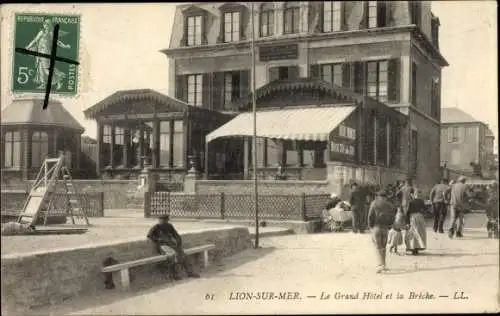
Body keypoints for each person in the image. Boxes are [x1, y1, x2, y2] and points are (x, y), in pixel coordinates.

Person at [147, 215, 200, 280]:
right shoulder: (156, 227)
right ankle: (175, 274)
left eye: (164, 220)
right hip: (163, 245)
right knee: (172, 255)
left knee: (183, 255)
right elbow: (149, 236)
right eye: (161, 220)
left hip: (171, 244)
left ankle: (190, 272)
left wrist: (178, 243)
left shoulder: (169, 226)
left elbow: (177, 235)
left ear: (167, 220)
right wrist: (159, 240)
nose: (162, 221)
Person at [25, 18, 71, 90]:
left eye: (46, 24)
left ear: (49, 25)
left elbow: (57, 42)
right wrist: (28, 46)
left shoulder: (51, 34)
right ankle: (43, 84)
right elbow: (35, 40)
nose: (45, 25)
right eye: (44, 24)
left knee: (47, 69)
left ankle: (59, 81)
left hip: (46, 53)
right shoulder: (41, 32)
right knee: (40, 69)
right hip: (39, 53)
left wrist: (65, 46)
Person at [368, 190, 397, 273]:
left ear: (379, 196)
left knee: (378, 247)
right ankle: (384, 264)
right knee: (383, 247)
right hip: (385, 228)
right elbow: (393, 216)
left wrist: (370, 226)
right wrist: (390, 224)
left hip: (376, 227)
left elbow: (370, 215)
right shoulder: (390, 205)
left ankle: (380, 265)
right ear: (386, 196)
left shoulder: (374, 203)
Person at [404, 189, 427, 255]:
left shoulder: (411, 202)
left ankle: (413, 248)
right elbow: (425, 209)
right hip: (420, 218)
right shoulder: (421, 201)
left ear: (413, 194)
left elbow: (407, 212)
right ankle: (417, 247)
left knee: (413, 232)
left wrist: (407, 221)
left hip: (413, 217)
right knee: (420, 232)